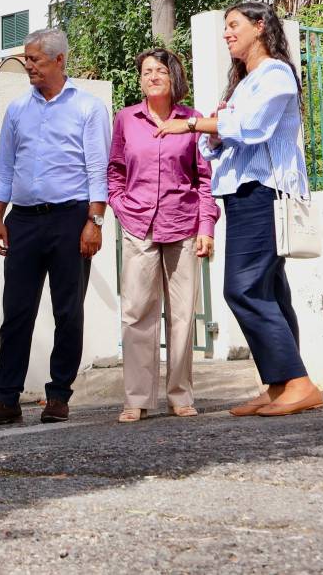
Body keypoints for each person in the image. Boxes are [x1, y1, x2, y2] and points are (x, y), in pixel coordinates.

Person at [156, 1, 323, 417]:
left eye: (234, 25)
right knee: (268, 290)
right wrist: (210, 132)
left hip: (264, 190)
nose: (227, 33)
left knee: (243, 287)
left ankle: (299, 383)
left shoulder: (276, 74)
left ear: (260, 26)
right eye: (225, 27)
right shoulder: (245, 82)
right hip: (242, 193)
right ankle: (280, 384)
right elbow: (216, 140)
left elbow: (251, 127)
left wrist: (196, 124)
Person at [0, 28, 111, 426]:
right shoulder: (18, 110)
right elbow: (4, 167)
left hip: (72, 218)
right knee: (16, 310)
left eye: (35, 59)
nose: (28, 66)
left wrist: (95, 222)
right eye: (26, 59)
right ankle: (7, 398)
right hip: (24, 219)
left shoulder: (88, 108)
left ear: (59, 61)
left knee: (67, 310)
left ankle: (58, 395)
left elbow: (97, 170)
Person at [108, 49, 219, 423]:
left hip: (183, 224)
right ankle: (136, 398)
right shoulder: (126, 119)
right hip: (138, 225)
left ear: (174, 77)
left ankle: (180, 394)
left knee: (183, 314)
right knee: (136, 312)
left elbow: (205, 179)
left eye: (159, 71)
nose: (152, 76)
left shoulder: (192, 121)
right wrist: (121, 206)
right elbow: (115, 170)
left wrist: (206, 227)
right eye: (146, 72)